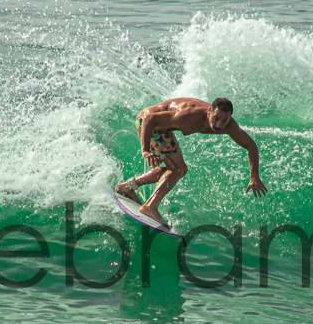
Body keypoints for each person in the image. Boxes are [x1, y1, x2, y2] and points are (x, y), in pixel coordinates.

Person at [114, 97, 267, 227]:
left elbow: (251, 146)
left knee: (174, 169)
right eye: (216, 119)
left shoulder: (230, 126)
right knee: (178, 169)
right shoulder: (189, 116)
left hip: (163, 128)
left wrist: (254, 176)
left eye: (224, 121)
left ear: (230, 117)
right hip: (149, 122)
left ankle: (127, 187)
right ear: (209, 112)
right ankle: (150, 206)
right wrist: (145, 150)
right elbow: (150, 119)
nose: (219, 125)